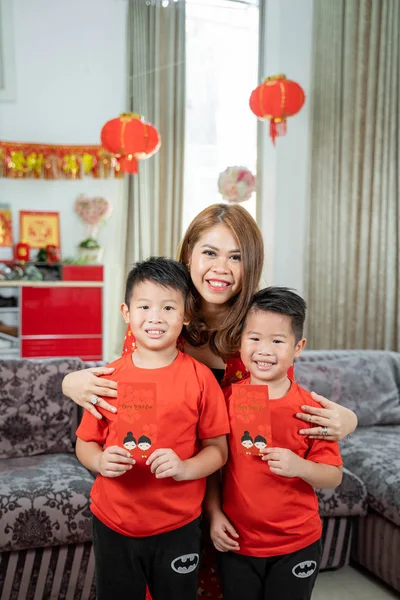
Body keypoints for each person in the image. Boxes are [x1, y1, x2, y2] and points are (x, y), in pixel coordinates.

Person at [63, 204, 357, 598]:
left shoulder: (259, 332)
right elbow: (123, 400)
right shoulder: (158, 319)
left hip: (233, 497)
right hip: (165, 498)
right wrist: (69, 381)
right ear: (188, 256)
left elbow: (283, 411)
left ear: (250, 264)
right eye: (210, 252)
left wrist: (349, 420)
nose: (221, 267)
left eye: (236, 256)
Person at [75, 257, 229, 600]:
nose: (155, 317)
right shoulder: (107, 378)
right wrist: (99, 462)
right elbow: (85, 443)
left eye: (169, 307)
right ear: (126, 312)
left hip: (179, 524)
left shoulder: (201, 379)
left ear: (186, 315)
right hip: (113, 520)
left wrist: (186, 467)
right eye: (144, 306)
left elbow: (218, 450)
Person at [207, 287, 343, 600]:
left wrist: (300, 466)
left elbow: (333, 475)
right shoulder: (227, 401)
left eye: (277, 341)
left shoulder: (312, 409)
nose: (264, 350)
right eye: (254, 338)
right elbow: (214, 464)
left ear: (298, 347)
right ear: (240, 341)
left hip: (297, 543)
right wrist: (214, 513)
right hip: (239, 543)